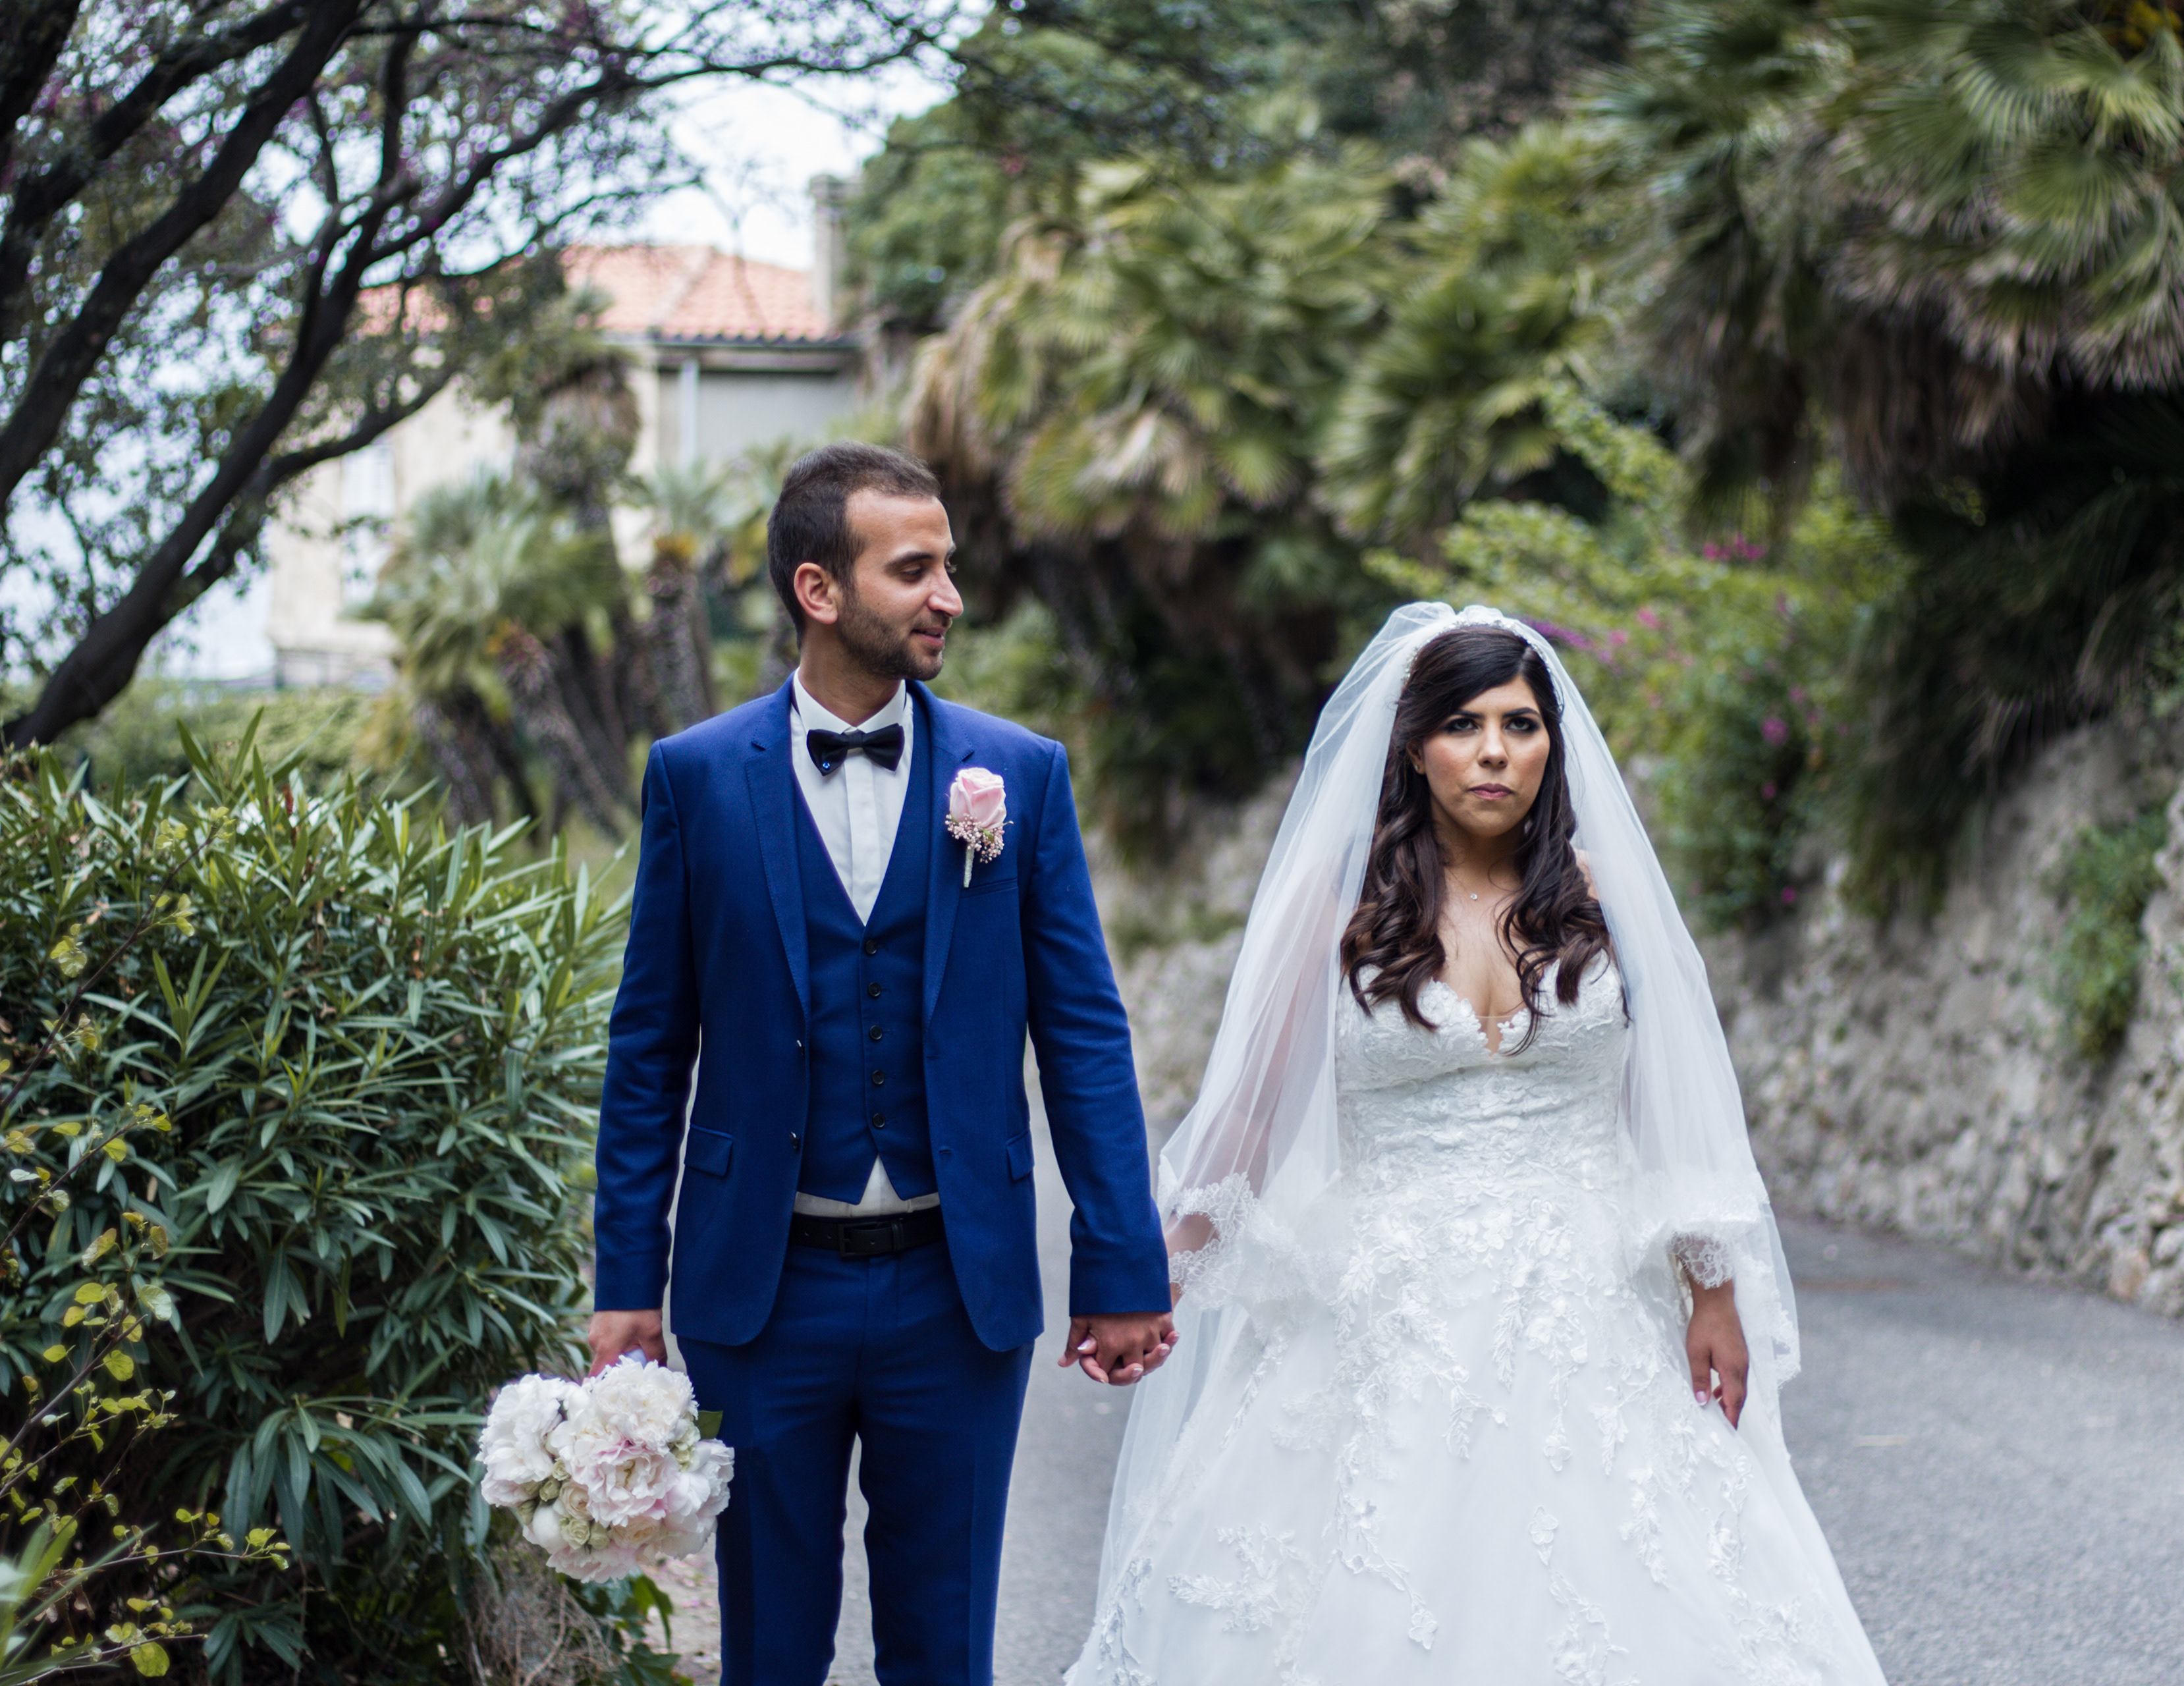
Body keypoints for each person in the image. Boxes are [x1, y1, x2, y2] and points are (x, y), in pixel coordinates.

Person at [1068, 605, 1886, 1685]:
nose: (1495, 751)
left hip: (1597, 1299)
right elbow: (1253, 1119)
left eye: (1520, 724)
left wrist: (1713, 1289)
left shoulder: (1602, 899)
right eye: (1463, 725)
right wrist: (1151, 1275)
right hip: (1382, 1305)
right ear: (1413, 747)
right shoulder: (1338, 906)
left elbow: (1667, 1106)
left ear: (1552, 744)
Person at [589, 442, 1175, 1686]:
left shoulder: (1019, 775)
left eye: (948, 567)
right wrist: (627, 1282)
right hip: (761, 1294)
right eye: (914, 570)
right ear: (819, 589)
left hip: (956, 1290)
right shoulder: (696, 777)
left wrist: (1122, 1261)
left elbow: (1082, 1030)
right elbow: (650, 1048)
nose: (948, 596)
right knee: (770, 1650)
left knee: (945, 1650)